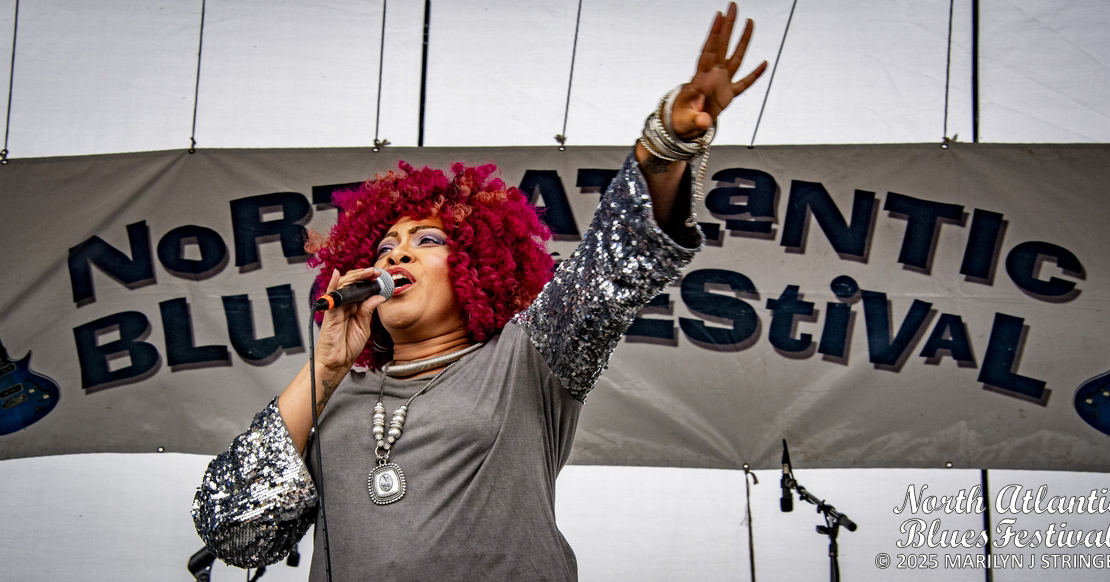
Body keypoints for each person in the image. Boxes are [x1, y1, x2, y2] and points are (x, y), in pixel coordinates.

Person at [192, 4, 767, 580]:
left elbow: (618, 259)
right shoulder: (334, 392)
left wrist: (666, 143)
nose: (396, 255)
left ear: (476, 266)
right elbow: (234, 531)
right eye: (385, 246)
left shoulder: (528, 358)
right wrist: (326, 368)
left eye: (427, 240)